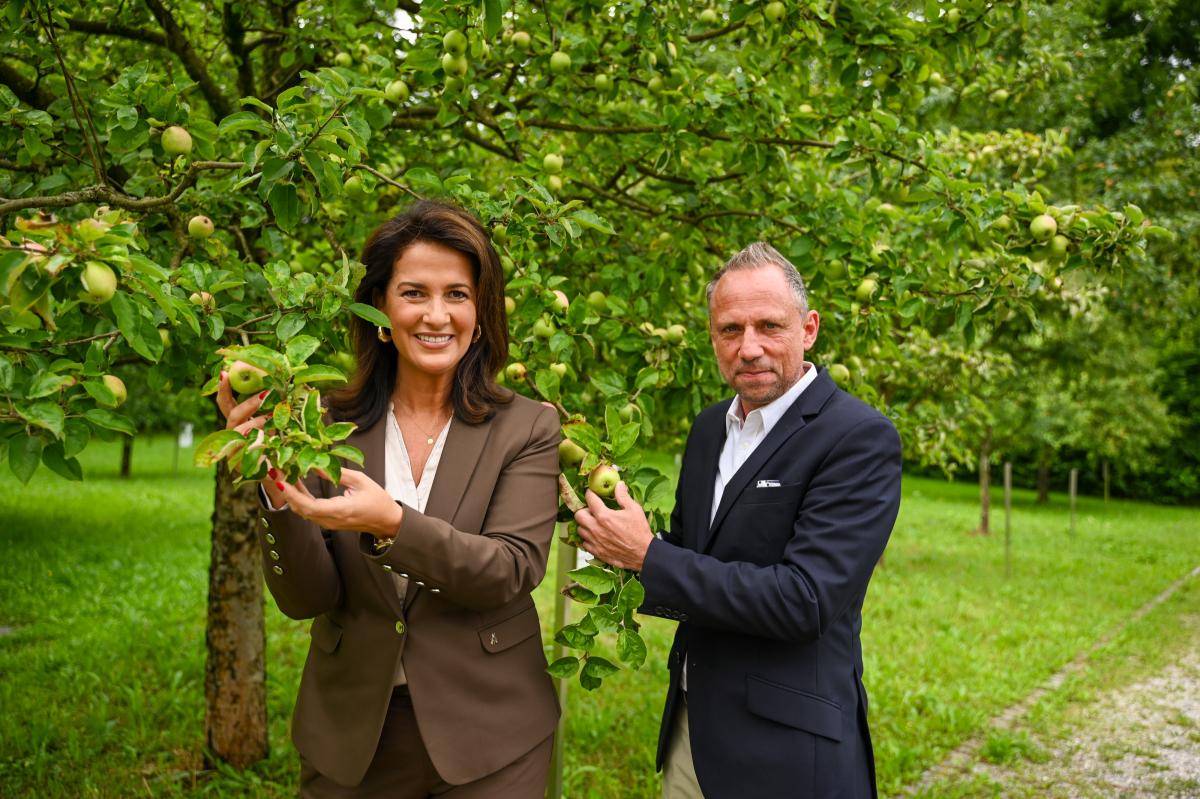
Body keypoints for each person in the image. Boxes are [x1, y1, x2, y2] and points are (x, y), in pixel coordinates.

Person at [218, 200, 561, 798]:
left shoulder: (526, 427)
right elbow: (307, 598)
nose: (436, 314)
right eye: (414, 293)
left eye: (457, 293)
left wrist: (392, 524)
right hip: (354, 731)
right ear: (380, 308)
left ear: (480, 312)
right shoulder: (322, 426)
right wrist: (272, 477)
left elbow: (508, 570)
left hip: (492, 735)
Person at [573, 242, 902, 799]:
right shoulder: (709, 429)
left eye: (769, 326)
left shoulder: (857, 438)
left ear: (809, 328)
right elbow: (695, 556)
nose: (749, 348)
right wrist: (605, 543)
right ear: (711, 337)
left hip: (787, 752)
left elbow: (805, 601)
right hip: (692, 732)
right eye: (730, 330)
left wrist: (647, 554)